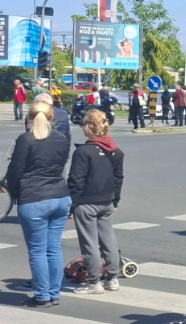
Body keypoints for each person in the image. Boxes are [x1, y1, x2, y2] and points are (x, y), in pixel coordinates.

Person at [9, 101, 71, 307]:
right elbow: (60, 167)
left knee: (37, 251)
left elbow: (15, 172)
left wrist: (17, 195)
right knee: (53, 249)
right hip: (60, 196)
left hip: (34, 198)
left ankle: (42, 296)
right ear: (52, 117)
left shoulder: (25, 139)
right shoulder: (62, 139)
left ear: (29, 117)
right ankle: (54, 293)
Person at [67, 110, 124, 295]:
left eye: (83, 124)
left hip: (86, 203)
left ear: (88, 127)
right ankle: (112, 278)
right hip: (107, 202)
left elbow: (76, 181)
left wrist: (71, 205)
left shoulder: (83, 152)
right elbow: (118, 179)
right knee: (109, 240)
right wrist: (115, 200)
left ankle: (94, 282)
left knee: (89, 244)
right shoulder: (115, 151)